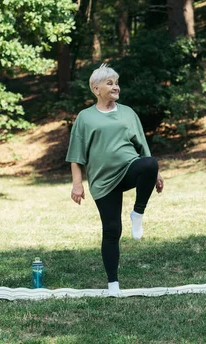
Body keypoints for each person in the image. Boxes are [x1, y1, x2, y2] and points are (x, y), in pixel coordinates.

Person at [66, 64, 164, 297]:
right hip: (103, 180)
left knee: (149, 163)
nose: (116, 86)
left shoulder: (128, 113)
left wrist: (156, 173)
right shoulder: (85, 117)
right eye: (110, 83)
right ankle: (113, 285)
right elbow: (76, 154)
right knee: (111, 230)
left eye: (117, 82)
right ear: (96, 88)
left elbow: (143, 146)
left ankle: (137, 214)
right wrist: (77, 184)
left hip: (129, 168)